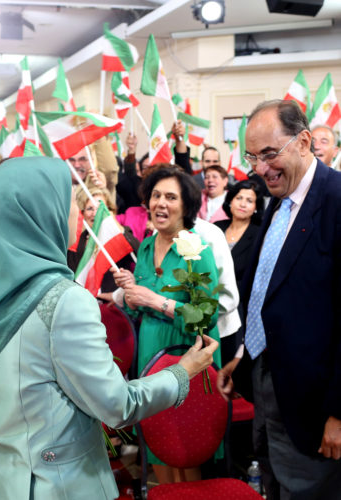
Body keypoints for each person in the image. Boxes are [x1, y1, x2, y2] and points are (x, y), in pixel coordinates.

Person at [0, 156, 218, 500]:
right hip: (60, 485)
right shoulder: (63, 300)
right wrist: (182, 373)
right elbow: (118, 406)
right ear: (44, 213)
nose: (77, 211)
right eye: (69, 200)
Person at [217, 99, 341, 500]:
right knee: (274, 483)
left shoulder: (336, 201)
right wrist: (245, 359)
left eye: (270, 154)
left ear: (304, 141)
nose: (259, 168)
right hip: (268, 384)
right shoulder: (277, 201)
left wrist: (340, 413)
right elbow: (269, 293)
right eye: (252, 156)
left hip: (317, 406)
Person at [113, 166, 221, 484]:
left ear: (186, 207)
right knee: (157, 443)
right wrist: (133, 294)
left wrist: (154, 301)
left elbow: (206, 315)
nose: (161, 203)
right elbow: (143, 302)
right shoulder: (146, 246)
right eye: (156, 195)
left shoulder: (194, 248)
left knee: (186, 445)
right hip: (150, 354)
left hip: (185, 354)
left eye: (171, 197)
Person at [67, 186, 139, 303]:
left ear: (110, 211)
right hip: (83, 304)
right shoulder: (74, 243)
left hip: (113, 305)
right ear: (83, 213)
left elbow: (139, 252)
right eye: (90, 208)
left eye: (100, 208)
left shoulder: (120, 234)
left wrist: (119, 228)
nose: (95, 213)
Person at [215, 180, 264, 289]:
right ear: (230, 201)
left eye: (249, 201)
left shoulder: (259, 235)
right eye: (239, 198)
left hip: (239, 297)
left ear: (256, 207)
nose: (242, 204)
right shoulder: (216, 227)